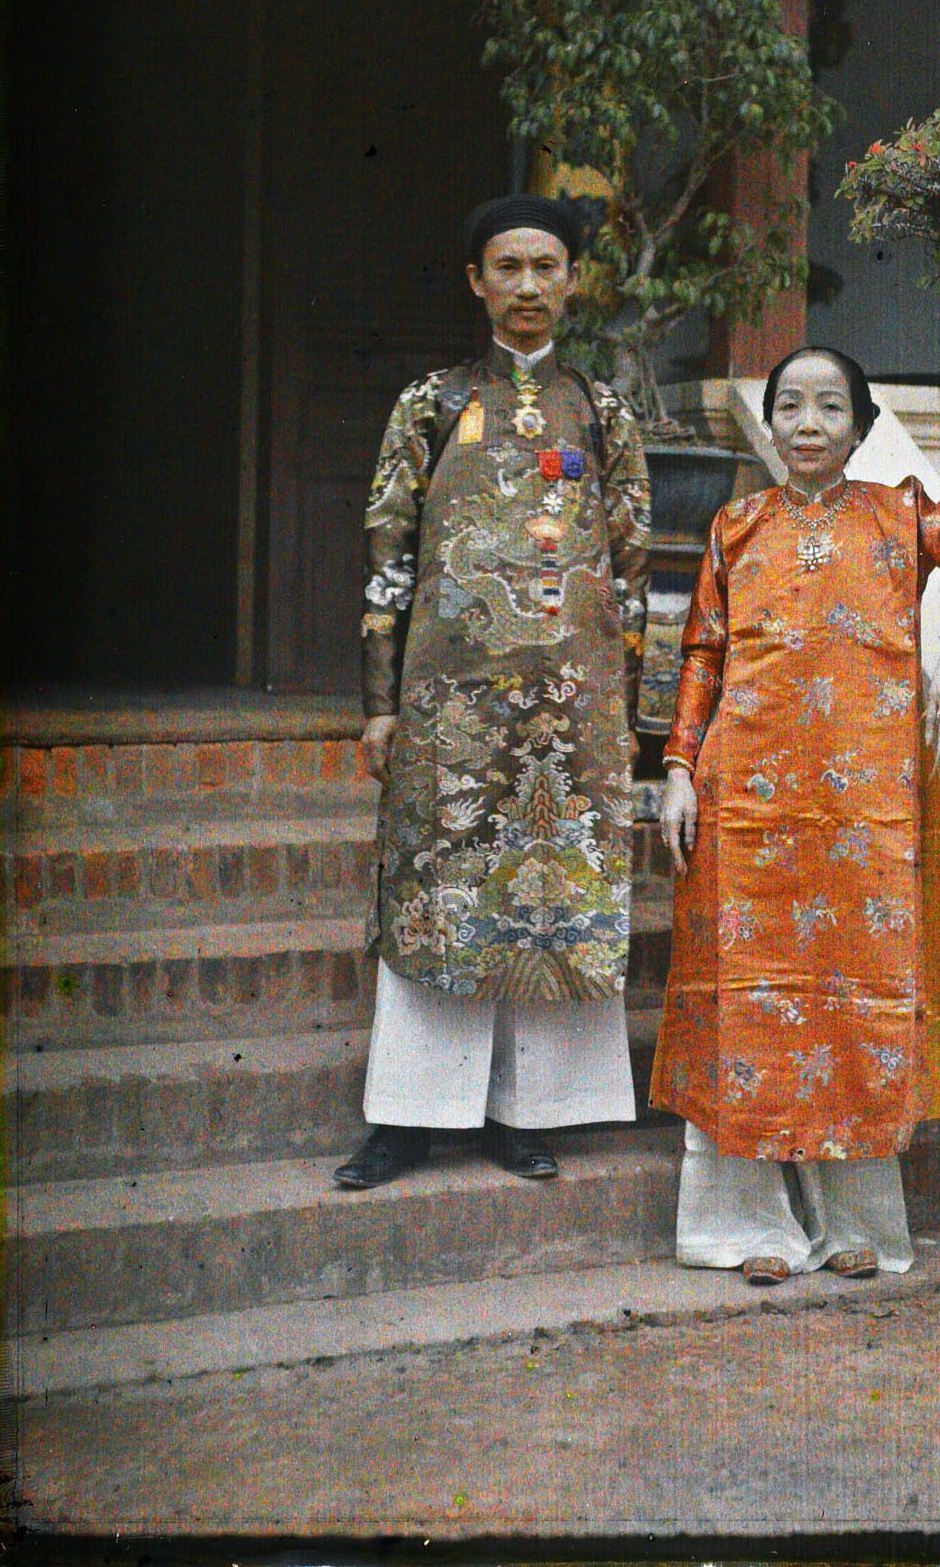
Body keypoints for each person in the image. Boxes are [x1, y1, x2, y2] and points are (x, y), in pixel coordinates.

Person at [650, 348, 940, 1281]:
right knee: (751, 1007)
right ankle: (748, 1229)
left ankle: (854, 1227)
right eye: (790, 406)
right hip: (745, 803)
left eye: (829, 407)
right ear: (771, 423)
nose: (807, 423)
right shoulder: (734, 527)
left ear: (858, 427)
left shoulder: (900, 514)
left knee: (854, 1003)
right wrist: (678, 770)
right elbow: (702, 654)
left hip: (866, 805)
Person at [335, 192, 650, 1190]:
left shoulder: (602, 410)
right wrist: (380, 700)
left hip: (572, 706)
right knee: (440, 896)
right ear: (477, 280)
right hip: (449, 705)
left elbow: (634, 571)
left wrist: (627, 711)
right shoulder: (430, 403)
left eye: (544, 267)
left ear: (572, 281)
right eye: (506, 267)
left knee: (547, 898)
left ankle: (527, 1111)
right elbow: (388, 552)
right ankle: (406, 1118)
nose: (525, 287)